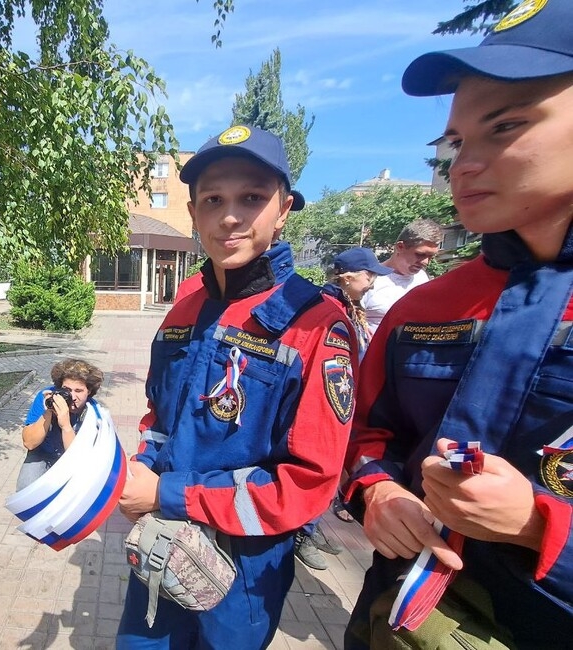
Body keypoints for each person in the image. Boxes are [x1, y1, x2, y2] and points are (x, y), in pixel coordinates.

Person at [343, 2, 573, 647]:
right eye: (455, 142)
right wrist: (378, 494)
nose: (463, 164)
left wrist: (539, 526)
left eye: (505, 126)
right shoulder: (425, 306)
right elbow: (367, 434)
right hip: (395, 615)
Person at [116, 124, 357, 649]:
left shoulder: (315, 324)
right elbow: (161, 418)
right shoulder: (184, 308)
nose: (230, 216)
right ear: (194, 214)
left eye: (251, 197)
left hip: (243, 571)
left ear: (284, 208)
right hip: (163, 541)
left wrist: (168, 493)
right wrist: (142, 466)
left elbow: (308, 483)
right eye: (213, 200)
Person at [294, 247, 395, 570]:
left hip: (346, 404)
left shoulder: (349, 305)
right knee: (319, 468)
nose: (372, 282)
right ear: (349, 276)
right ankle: (302, 532)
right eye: (369, 276)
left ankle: (313, 526)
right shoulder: (327, 308)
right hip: (325, 408)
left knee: (334, 473)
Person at [17, 358, 105, 491]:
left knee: (78, 491)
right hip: (42, 453)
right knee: (25, 488)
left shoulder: (94, 413)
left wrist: (65, 425)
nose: (73, 397)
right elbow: (29, 443)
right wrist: (48, 412)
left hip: (73, 458)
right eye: (67, 390)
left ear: (89, 392)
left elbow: (78, 459)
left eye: (79, 391)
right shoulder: (47, 396)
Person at [361, 218, 442, 333]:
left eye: (431, 257)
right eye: (420, 254)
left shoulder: (422, 278)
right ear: (400, 247)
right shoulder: (368, 279)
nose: (425, 262)